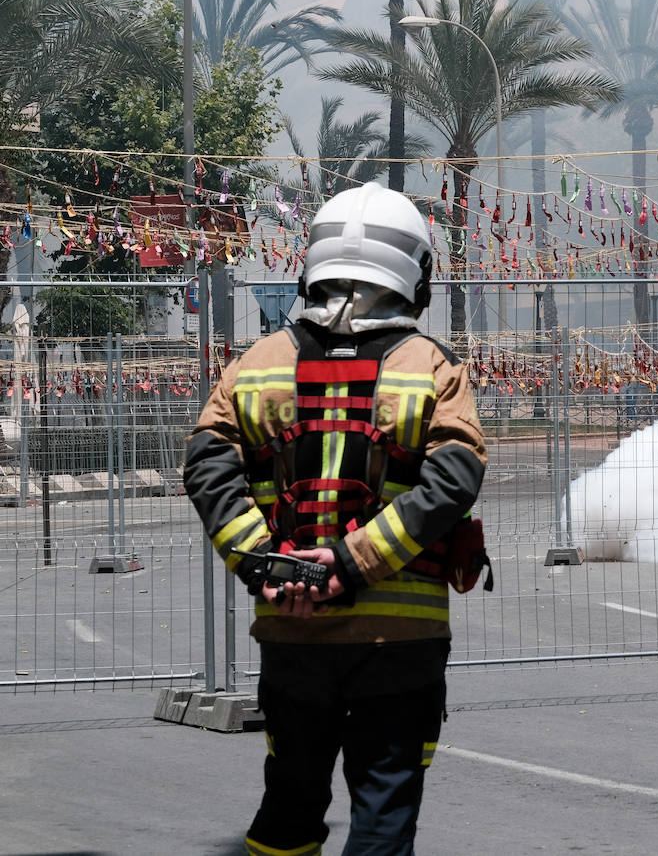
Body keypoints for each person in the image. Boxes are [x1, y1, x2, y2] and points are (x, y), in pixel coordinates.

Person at [184, 181, 487, 855]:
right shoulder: (433, 369)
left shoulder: (253, 366)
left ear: (311, 265)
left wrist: (267, 568)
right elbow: (455, 479)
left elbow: (207, 468)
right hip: (400, 643)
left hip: (292, 638)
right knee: (382, 813)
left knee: (289, 808)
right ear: (417, 274)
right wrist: (349, 566)